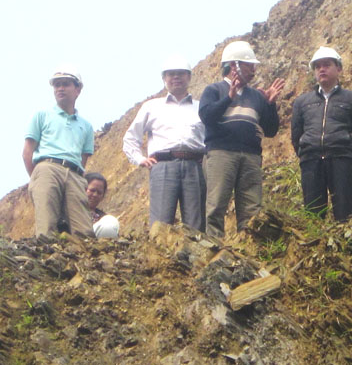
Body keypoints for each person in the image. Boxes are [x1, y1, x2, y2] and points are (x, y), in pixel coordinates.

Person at [199, 40, 285, 238]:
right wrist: (228, 98)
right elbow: (207, 116)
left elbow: (270, 130)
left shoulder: (257, 96)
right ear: (233, 65)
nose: (253, 70)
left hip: (251, 156)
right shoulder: (214, 90)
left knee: (251, 208)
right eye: (249, 65)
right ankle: (215, 247)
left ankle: (248, 247)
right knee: (217, 204)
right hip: (221, 154)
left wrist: (270, 104)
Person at [123, 54, 207, 231]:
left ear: (189, 77)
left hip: (194, 166)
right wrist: (140, 159)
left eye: (180, 73)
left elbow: (212, 138)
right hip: (163, 165)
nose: (176, 77)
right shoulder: (152, 106)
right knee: (160, 222)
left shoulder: (201, 107)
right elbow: (131, 137)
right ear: (164, 78)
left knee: (196, 223)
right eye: (170, 74)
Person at [291, 47, 352, 222]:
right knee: (313, 215)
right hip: (311, 161)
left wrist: (346, 153)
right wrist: (306, 152)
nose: (322, 69)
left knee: (344, 213)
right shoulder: (302, 102)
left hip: (341, 159)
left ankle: (345, 239)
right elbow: (296, 134)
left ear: (338, 68)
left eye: (326, 65)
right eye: (318, 66)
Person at [23, 65, 95, 237]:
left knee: (83, 231)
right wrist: (38, 177)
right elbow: (27, 152)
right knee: (46, 226)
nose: (60, 88)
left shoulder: (86, 126)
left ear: (78, 89)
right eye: (57, 85)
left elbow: (83, 158)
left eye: (65, 84)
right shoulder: (42, 116)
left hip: (75, 173)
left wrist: (76, 175)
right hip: (47, 167)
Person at [85, 172, 120, 238]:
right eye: (92, 190)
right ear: (83, 189)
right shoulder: (72, 212)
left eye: (99, 192)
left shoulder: (104, 219)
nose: (95, 195)